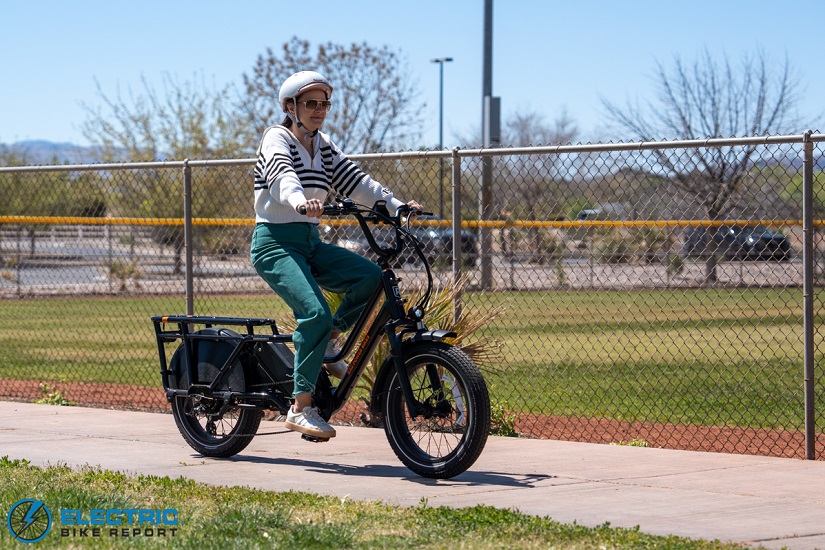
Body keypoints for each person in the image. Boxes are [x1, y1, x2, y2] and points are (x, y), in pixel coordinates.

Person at [250, 70, 421, 440]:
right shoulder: (276, 138)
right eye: (311, 102)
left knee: (371, 278)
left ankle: (330, 338)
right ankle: (300, 408)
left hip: (309, 241)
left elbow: (356, 181)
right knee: (314, 312)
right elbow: (282, 177)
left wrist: (396, 206)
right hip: (274, 243)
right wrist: (299, 201)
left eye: (324, 103)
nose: (319, 110)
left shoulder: (322, 145)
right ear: (289, 106)